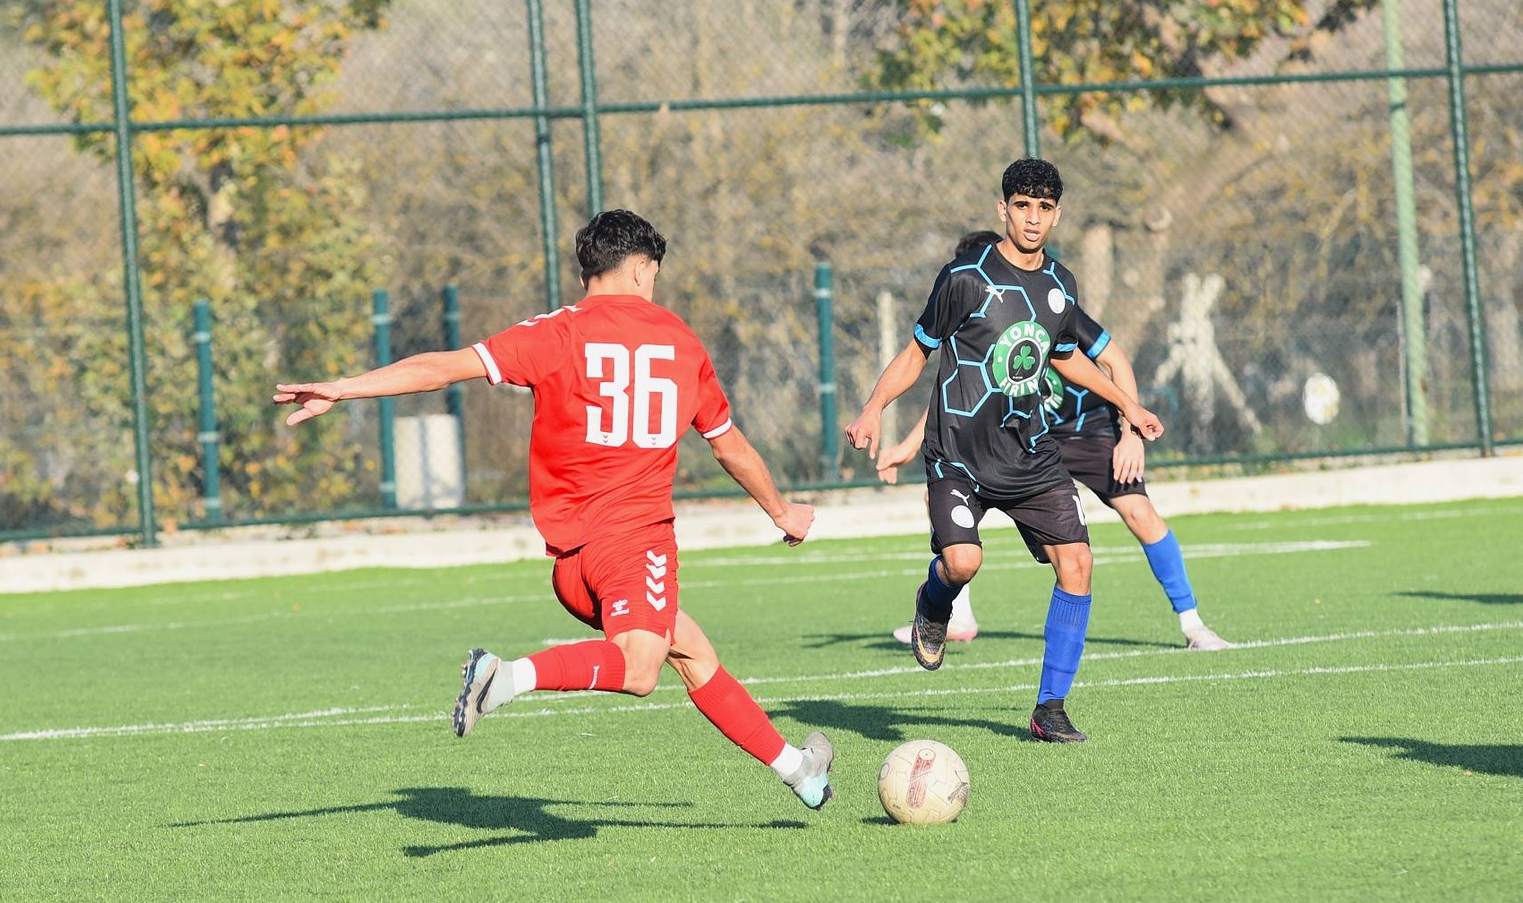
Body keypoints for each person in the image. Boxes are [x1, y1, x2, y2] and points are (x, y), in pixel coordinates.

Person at [276, 209, 835, 809]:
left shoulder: (555, 332)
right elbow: (728, 445)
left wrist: (344, 387)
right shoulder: (680, 340)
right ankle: (508, 676)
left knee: (693, 654)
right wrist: (782, 511)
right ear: (641, 270)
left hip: (572, 565)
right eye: (654, 272)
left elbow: (443, 368)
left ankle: (799, 770)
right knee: (641, 669)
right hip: (633, 542)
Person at [845, 160, 1164, 743]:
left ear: (1057, 215)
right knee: (963, 563)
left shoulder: (1061, 285)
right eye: (1022, 206)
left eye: (1044, 208)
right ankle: (933, 601)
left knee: (1078, 564)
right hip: (959, 454)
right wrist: (873, 409)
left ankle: (1050, 708)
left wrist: (1128, 406)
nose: (1033, 218)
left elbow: (1066, 357)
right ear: (1003, 209)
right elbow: (917, 354)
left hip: (1030, 454)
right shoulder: (965, 277)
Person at [877, 231, 1231, 651]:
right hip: (1021, 436)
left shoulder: (1052, 300)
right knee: (945, 504)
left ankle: (1193, 625)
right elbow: (957, 397)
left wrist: (1129, 434)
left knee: (1138, 512)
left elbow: (1116, 360)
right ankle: (958, 614)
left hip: (1085, 428)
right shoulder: (972, 311)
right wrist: (908, 447)